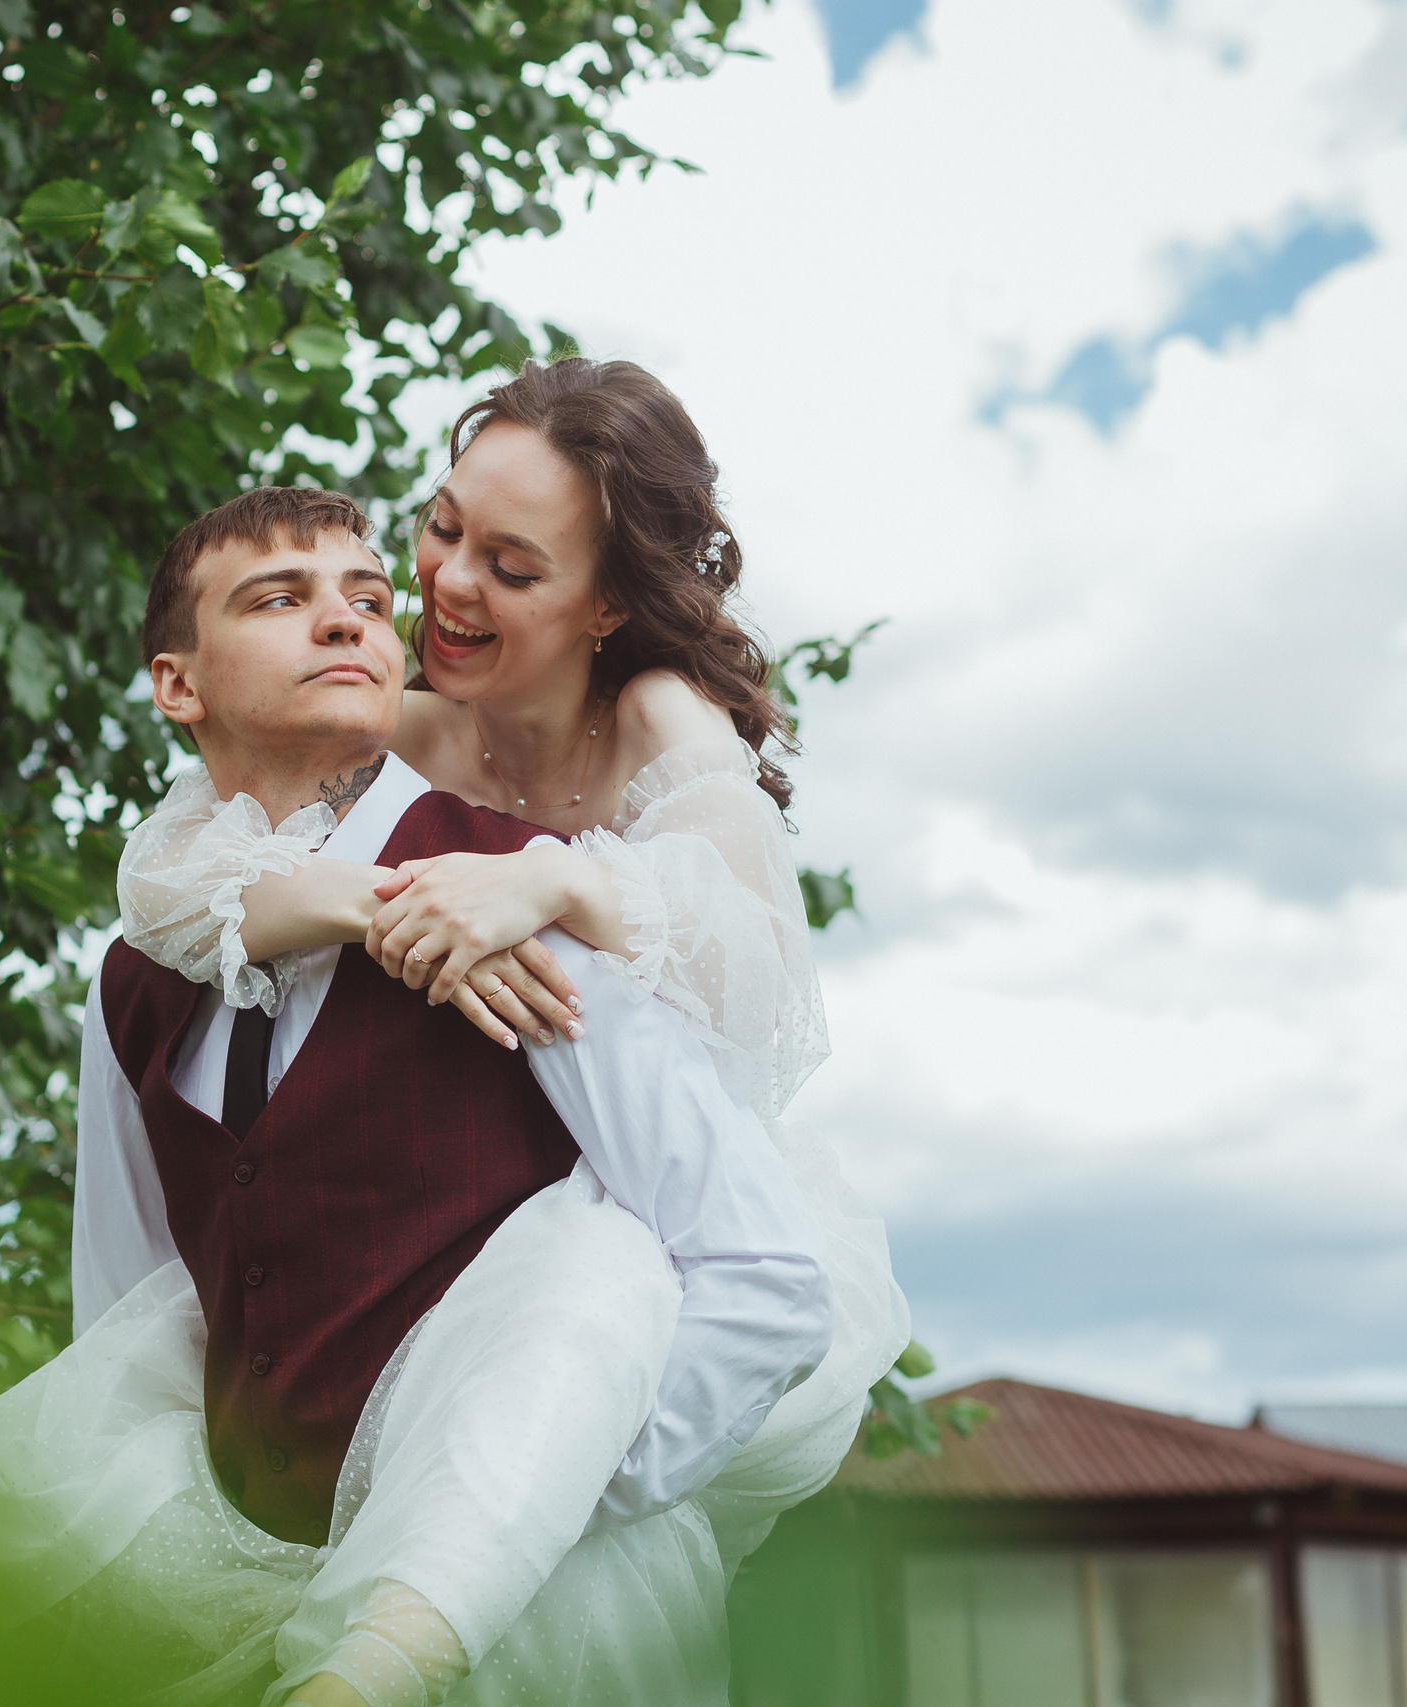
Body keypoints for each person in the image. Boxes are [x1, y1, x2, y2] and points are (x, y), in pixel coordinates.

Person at [0, 486, 904, 1707]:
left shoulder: (519, 894)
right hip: (217, 1604)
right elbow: (131, 1316)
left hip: (533, 1643)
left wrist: (530, 1496)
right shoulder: (139, 974)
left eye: (367, 599)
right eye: (280, 599)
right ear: (175, 686)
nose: (344, 622)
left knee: (586, 1264)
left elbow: (761, 1275)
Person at [114, 358, 907, 1588]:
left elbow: (752, 987)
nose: (446, 584)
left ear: (604, 606)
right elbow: (164, 878)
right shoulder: (403, 730)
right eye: (441, 528)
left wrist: (561, 881)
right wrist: (369, 908)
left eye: (513, 567)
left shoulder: (658, 724)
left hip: (647, 1196)